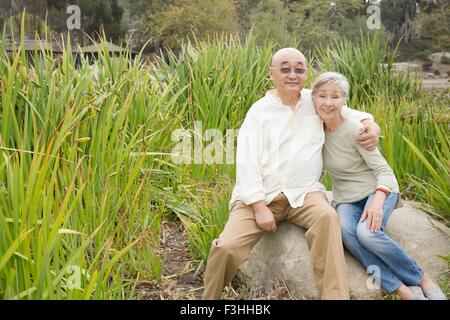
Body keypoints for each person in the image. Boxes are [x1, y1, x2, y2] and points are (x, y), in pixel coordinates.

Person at [202, 48, 381, 300]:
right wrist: (258, 206)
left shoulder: (316, 101)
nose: (292, 74)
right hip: (262, 196)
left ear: (306, 74)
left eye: (299, 69)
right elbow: (246, 162)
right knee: (227, 247)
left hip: (304, 194)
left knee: (328, 218)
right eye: (285, 69)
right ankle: (208, 301)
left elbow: (348, 113)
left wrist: (370, 124)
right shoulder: (259, 112)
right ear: (272, 74)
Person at [312, 71, 447, 300]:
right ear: (313, 98)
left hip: (378, 190)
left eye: (335, 96)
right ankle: (402, 289)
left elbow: (384, 171)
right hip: (346, 199)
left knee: (367, 234)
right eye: (322, 96)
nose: (328, 102)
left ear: (344, 100)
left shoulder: (356, 130)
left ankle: (422, 279)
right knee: (347, 233)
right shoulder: (314, 132)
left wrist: (377, 201)